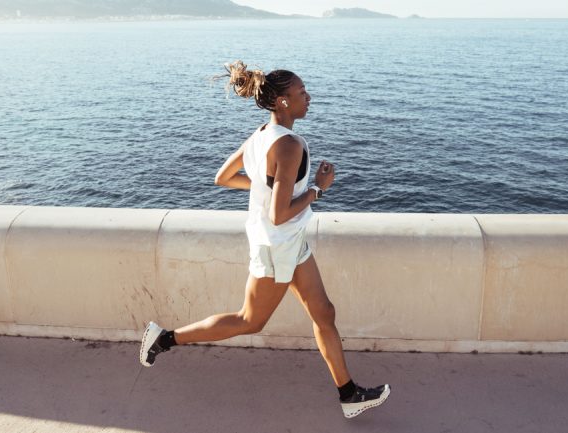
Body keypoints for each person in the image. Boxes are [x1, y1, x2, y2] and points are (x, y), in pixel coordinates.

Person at [138, 61, 390, 419]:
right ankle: (164, 338)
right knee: (249, 321)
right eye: (302, 93)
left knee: (324, 313)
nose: (308, 97)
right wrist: (318, 189)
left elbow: (223, 177)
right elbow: (279, 213)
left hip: (289, 241)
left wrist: (269, 188)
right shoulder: (288, 146)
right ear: (283, 102)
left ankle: (349, 394)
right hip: (276, 244)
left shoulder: (260, 134)